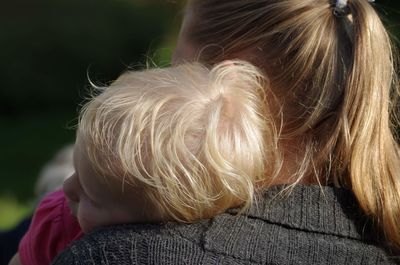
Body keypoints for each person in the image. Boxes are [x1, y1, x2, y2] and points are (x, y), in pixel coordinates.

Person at [50, 0, 400, 264]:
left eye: (178, 56)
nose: (166, 67)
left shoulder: (118, 252)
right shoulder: (378, 241)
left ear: (228, 79)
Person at [8, 60, 275, 265]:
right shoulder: (58, 222)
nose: (68, 188)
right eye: (77, 171)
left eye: (91, 196)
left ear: (162, 220)